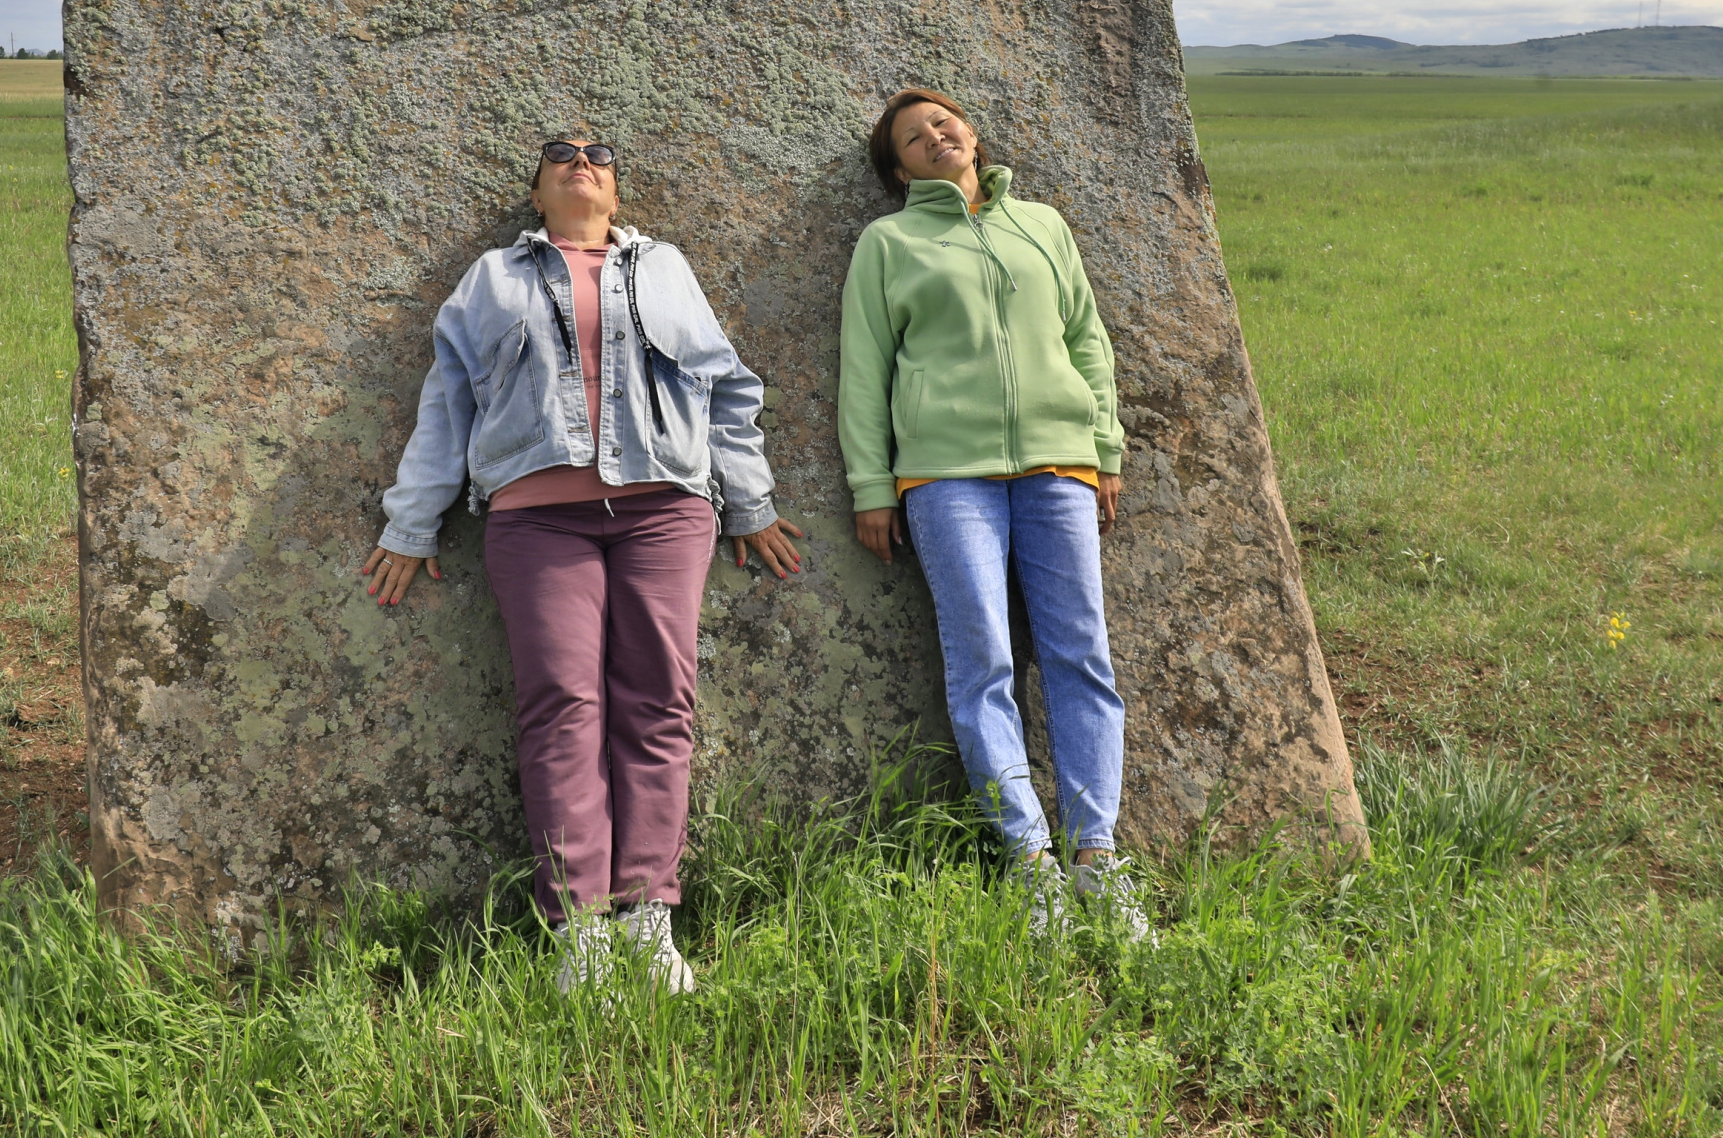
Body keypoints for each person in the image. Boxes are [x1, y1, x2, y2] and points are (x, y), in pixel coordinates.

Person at [363, 136, 804, 996]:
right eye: (559, 155)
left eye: (598, 155)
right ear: (536, 193)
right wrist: (410, 524)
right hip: (537, 520)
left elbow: (726, 388)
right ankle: (580, 937)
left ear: (615, 188)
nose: (580, 163)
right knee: (560, 705)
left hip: (664, 511)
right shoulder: (491, 279)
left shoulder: (665, 267)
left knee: (659, 702)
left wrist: (750, 503)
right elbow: (447, 404)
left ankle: (648, 921)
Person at [837, 87, 1150, 939]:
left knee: (1081, 655)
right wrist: (873, 484)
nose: (935, 136)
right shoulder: (890, 242)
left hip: (1060, 467)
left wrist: (1104, 446)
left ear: (972, 134)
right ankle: (1030, 863)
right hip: (945, 477)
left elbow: (1086, 338)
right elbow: (865, 368)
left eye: (944, 122)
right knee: (983, 664)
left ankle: (1096, 860)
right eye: (913, 136)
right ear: (897, 167)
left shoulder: (1042, 225)